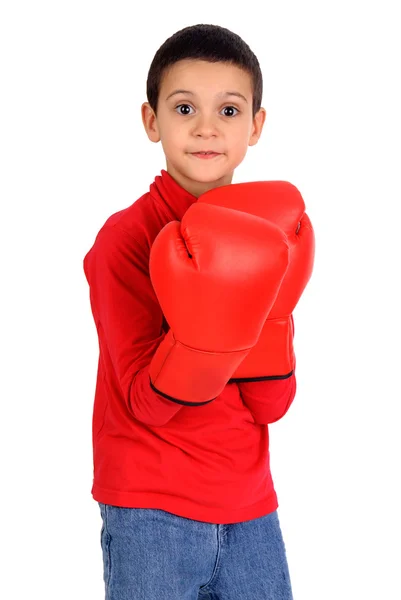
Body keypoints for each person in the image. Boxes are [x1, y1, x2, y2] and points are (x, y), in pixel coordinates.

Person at [83, 22, 314, 600]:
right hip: (150, 514)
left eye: (230, 111)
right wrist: (205, 335)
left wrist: (270, 320)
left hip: (251, 508)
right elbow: (144, 401)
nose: (207, 128)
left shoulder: (271, 232)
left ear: (257, 126)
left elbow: (273, 402)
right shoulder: (125, 239)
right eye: (184, 107)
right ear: (151, 120)